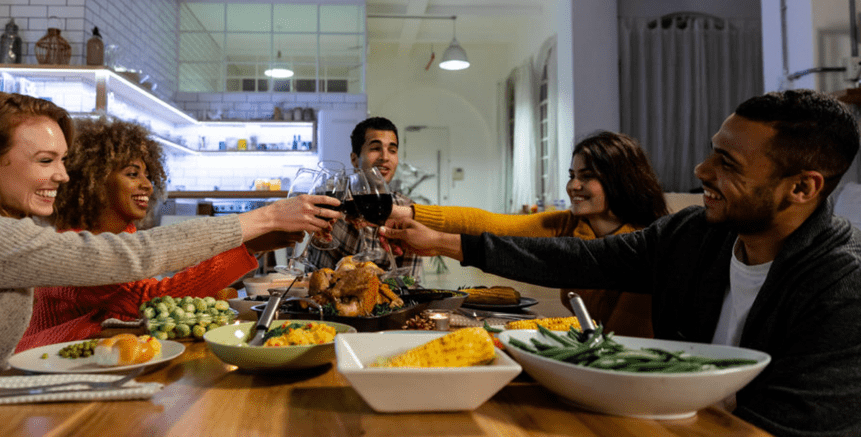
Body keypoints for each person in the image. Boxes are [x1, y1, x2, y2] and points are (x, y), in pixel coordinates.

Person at [381, 89, 861, 437]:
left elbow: (784, 427)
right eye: (713, 153)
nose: (702, 172)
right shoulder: (694, 234)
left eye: (728, 164)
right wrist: (447, 242)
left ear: (802, 188)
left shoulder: (843, 287)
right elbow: (584, 259)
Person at [0, 92, 341, 414]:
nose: (62, 175)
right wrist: (260, 221)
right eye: (45, 161)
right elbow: (134, 263)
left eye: (63, 161)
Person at [16, 118, 278, 351]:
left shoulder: (118, 235)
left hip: (93, 358)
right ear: (92, 179)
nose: (147, 185)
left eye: (148, 174)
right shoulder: (77, 246)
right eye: (132, 174)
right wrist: (247, 248)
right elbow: (145, 301)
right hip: (47, 365)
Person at [387, 131, 668, 337]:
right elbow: (492, 224)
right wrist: (409, 213)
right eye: (572, 175)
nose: (573, 186)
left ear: (621, 180)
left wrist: (438, 242)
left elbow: (624, 343)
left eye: (587, 176)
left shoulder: (645, 248)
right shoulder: (569, 224)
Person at [306, 116, 422, 276]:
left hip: (387, 298)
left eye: (392, 150)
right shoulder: (332, 197)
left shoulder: (406, 208)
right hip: (326, 296)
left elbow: (410, 281)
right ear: (354, 159)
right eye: (375, 148)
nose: (385, 157)